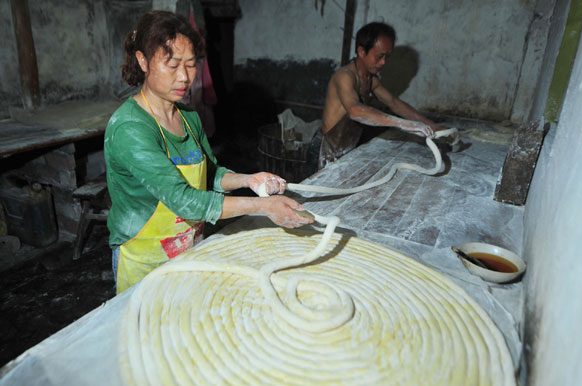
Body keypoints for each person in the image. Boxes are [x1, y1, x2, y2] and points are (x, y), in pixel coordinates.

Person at [105, 10, 312, 294]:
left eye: (191, 65)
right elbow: (183, 200)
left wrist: (248, 180)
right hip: (144, 259)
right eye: (172, 64)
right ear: (142, 60)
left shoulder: (188, 116)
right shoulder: (131, 128)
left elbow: (209, 174)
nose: (184, 77)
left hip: (189, 247)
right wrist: (263, 207)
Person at [309, 22, 448, 172]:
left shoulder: (371, 80)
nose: (383, 62)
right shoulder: (345, 76)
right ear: (362, 52)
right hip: (325, 150)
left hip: (345, 149)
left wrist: (430, 125)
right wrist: (404, 124)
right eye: (379, 56)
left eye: (387, 57)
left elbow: (394, 103)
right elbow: (355, 110)